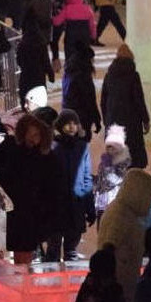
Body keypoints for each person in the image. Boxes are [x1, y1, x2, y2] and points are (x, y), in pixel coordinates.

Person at [0, 114, 61, 265]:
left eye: (36, 134)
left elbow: (54, 183)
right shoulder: (11, 146)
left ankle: (23, 278)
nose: (33, 138)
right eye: (29, 134)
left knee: (25, 249)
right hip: (9, 205)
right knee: (3, 247)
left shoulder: (46, 155)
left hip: (33, 209)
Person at [97, 169, 151, 302]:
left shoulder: (123, 211)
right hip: (120, 277)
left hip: (124, 275)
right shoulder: (121, 215)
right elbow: (110, 243)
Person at [49, 110, 94, 263]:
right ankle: (51, 283)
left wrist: (90, 208)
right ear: (60, 125)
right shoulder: (52, 146)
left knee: (71, 250)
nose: (72, 126)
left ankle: (69, 284)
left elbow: (87, 178)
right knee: (53, 249)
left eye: (75, 123)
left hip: (76, 206)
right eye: (68, 123)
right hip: (56, 206)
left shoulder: (82, 147)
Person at [101, 44, 149, 168]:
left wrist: (106, 120)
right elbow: (139, 99)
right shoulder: (133, 76)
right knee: (133, 154)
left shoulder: (109, 76)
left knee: (116, 156)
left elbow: (103, 101)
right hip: (131, 121)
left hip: (113, 121)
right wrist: (145, 120)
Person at [94, 125, 131, 223]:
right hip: (102, 199)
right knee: (101, 224)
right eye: (108, 147)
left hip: (113, 200)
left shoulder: (122, 162)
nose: (110, 150)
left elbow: (118, 180)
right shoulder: (106, 159)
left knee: (110, 223)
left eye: (113, 147)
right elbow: (102, 178)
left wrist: (108, 168)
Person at [52, 0, 97, 68]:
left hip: (71, 37)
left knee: (70, 57)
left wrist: (51, 17)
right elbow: (92, 25)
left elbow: (57, 22)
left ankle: (70, 73)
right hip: (84, 37)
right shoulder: (87, 9)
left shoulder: (67, 9)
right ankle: (83, 71)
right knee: (84, 56)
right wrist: (93, 35)